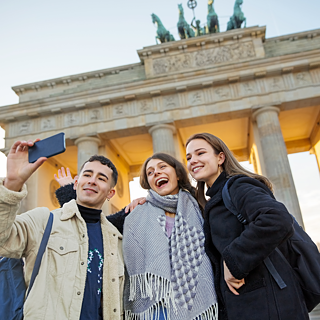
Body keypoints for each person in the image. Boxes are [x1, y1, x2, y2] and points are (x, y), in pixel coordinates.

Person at [185, 133, 309, 320]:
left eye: (200, 153)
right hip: (251, 302)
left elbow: (276, 218)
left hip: (270, 303)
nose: (193, 160)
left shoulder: (237, 186)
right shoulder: (213, 200)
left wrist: (233, 260)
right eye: (188, 157)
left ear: (220, 157)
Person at [0, 139, 124, 320]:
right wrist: (12, 184)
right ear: (76, 183)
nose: (92, 181)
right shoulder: (44, 221)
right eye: (87, 175)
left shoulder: (116, 239)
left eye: (101, 178)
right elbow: (3, 240)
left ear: (110, 193)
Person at [122, 153, 218, 320]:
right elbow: (96, 222)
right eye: (150, 172)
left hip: (198, 301)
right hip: (154, 307)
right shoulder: (136, 213)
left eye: (162, 167)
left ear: (178, 174)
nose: (156, 173)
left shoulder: (202, 207)